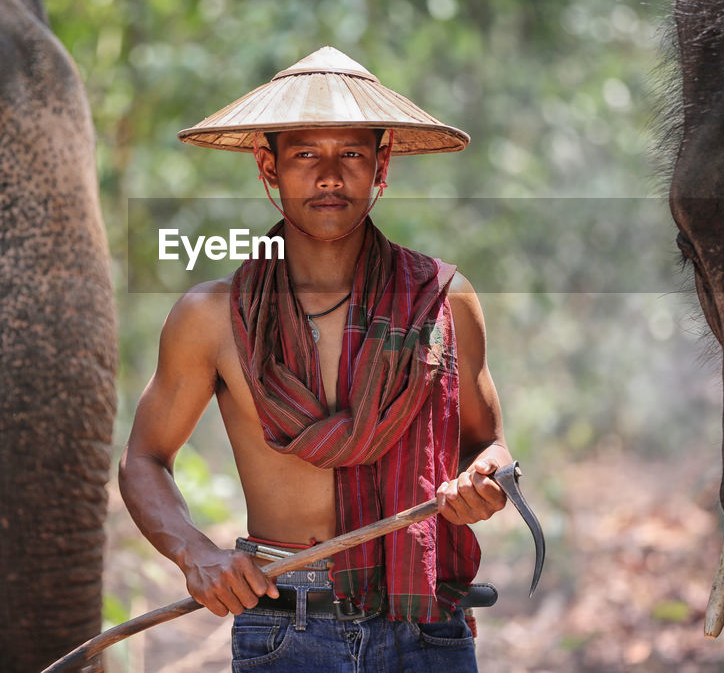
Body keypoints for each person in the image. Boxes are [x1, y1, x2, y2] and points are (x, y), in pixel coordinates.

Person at [118, 47, 513, 672]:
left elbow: (487, 444)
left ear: (381, 166)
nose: (330, 176)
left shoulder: (443, 301)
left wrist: (484, 483)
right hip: (287, 622)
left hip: (426, 622)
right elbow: (144, 458)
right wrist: (196, 554)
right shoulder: (212, 316)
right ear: (267, 167)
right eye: (306, 155)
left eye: (351, 154)